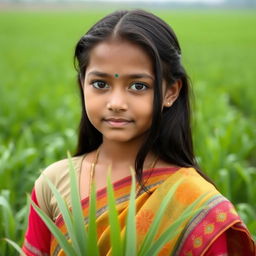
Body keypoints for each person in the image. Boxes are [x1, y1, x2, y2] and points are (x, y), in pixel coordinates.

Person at [22, 9, 255, 256]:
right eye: (100, 84)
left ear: (171, 92)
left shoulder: (194, 203)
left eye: (138, 86)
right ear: (82, 84)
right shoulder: (55, 183)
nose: (116, 102)